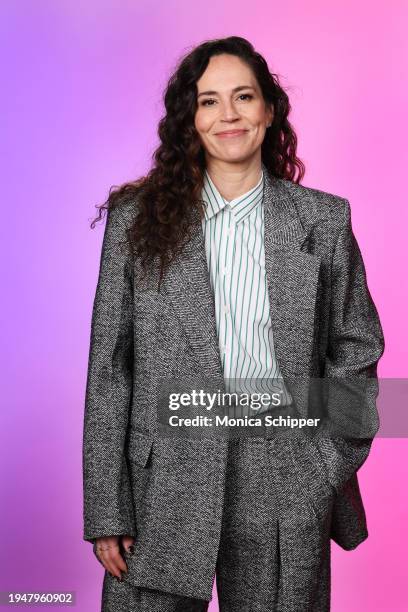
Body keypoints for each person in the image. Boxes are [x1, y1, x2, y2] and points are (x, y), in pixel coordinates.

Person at [83, 36, 385, 612]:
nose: (228, 115)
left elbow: (358, 348)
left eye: (244, 97)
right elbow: (109, 372)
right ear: (189, 120)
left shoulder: (323, 219)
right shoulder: (135, 223)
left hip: (284, 469)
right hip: (163, 475)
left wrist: (324, 463)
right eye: (209, 101)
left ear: (269, 111)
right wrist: (107, 507)